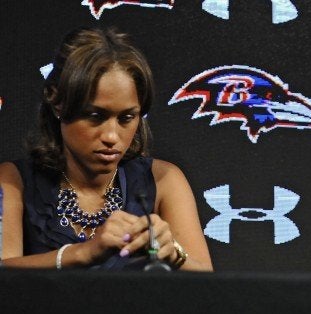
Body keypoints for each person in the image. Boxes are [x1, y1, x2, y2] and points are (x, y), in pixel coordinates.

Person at [0, 27, 213, 271]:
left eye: (127, 118)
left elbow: (207, 287)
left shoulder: (164, 180)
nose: (112, 137)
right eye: (95, 116)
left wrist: (174, 253)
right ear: (58, 103)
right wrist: (83, 252)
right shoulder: (12, 181)